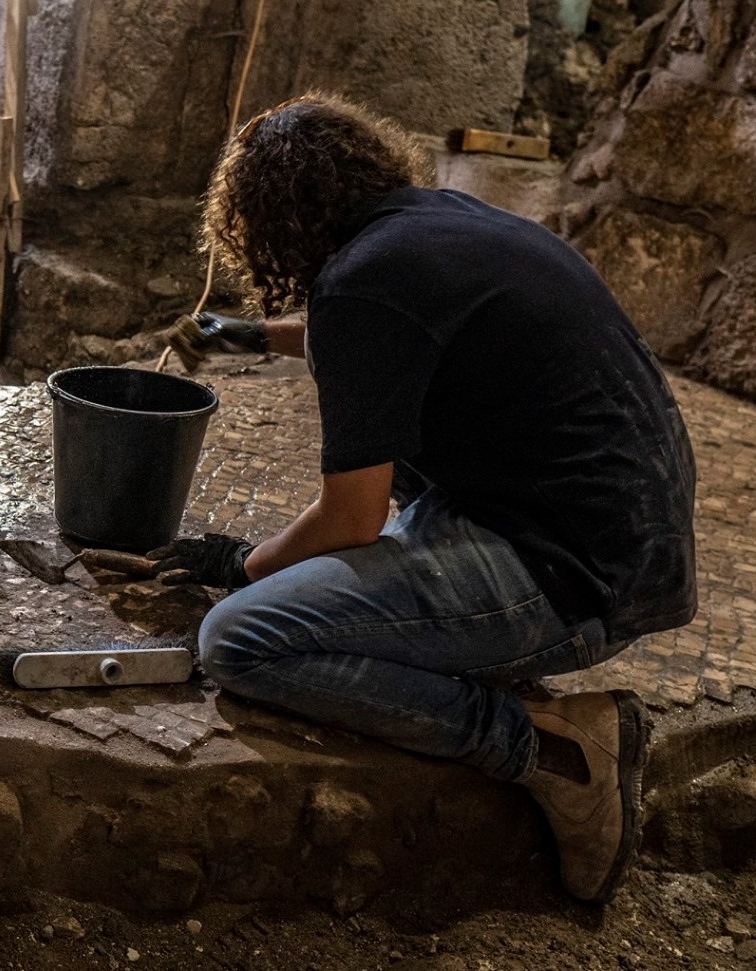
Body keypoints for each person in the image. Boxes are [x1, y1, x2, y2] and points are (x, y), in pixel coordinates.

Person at [163, 93, 696, 905]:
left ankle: (549, 749)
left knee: (240, 640)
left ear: (264, 221)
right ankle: (464, 644)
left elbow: (351, 517)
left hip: (569, 578)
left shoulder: (358, 283)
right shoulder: (439, 225)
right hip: (624, 539)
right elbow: (375, 327)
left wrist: (239, 564)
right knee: (403, 459)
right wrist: (243, 334)